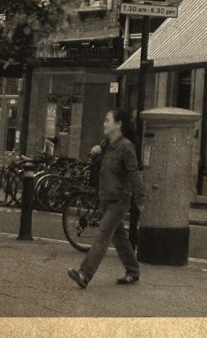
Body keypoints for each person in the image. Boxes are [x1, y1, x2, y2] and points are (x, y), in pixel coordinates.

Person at [69, 108, 145, 288]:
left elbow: (134, 172)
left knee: (102, 235)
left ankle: (84, 274)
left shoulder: (126, 146)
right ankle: (133, 271)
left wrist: (141, 198)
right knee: (119, 238)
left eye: (107, 120)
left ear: (118, 124)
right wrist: (95, 153)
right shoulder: (107, 145)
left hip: (118, 201)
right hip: (105, 199)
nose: (104, 123)